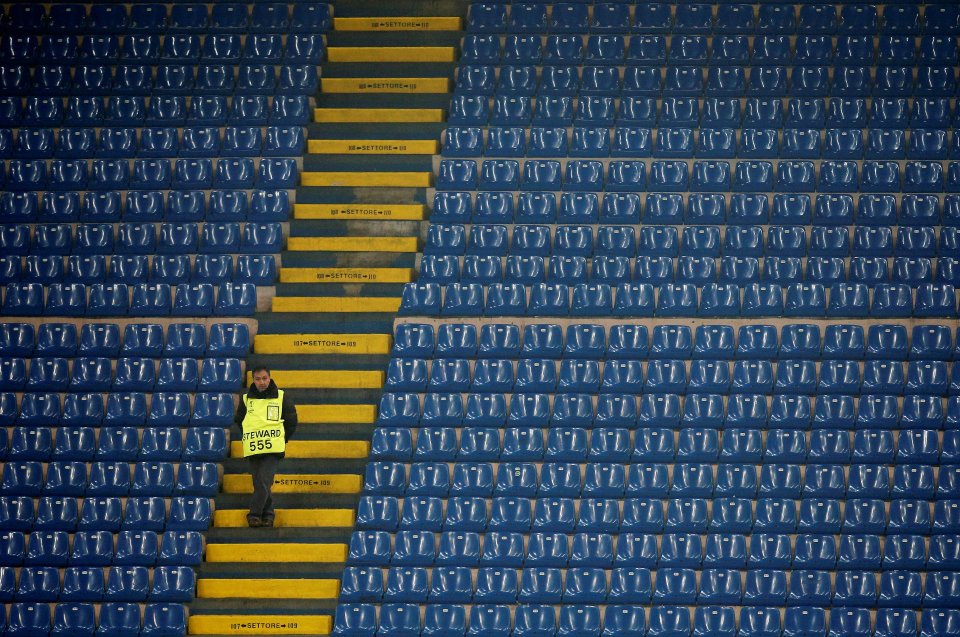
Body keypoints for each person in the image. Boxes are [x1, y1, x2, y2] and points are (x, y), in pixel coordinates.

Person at [233, 365, 297, 527]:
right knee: (260, 482)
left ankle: (254, 514)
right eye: (258, 379)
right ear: (253, 380)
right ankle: (268, 515)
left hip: (273, 449)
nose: (261, 382)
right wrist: (250, 436)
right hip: (254, 447)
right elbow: (239, 420)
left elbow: (291, 422)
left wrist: (282, 439)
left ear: (270, 378)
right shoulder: (246, 399)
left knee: (263, 481)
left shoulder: (281, 397)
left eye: (264, 378)